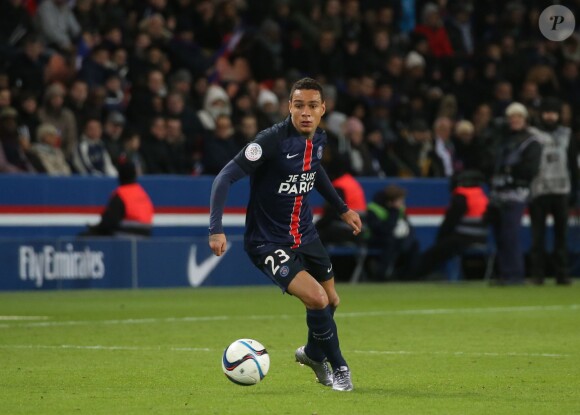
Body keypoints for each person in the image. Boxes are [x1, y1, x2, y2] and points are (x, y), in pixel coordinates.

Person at [209, 78, 361, 392]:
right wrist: (216, 228)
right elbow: (224, 177)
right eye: (299, 105)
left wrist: (342, 208)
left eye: (312, 106)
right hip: (267, 241)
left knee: (331, 300)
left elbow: (315, 169)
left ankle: (314, 354)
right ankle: (340, 367)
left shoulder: (319, 138)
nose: (305, 112)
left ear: (323, 109)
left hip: (305, 233)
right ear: (289, 107)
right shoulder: (270, 141)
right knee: (317, 297)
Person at [485, 102, 542, 285]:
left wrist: (511, 171)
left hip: (516, 193)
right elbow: (489, 161)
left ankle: (515, 274)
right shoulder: (502, 140)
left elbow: (530, 169)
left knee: (510, 234)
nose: (514, 120)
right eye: (511, 117)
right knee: (500, 235)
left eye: (518, 117)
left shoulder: (531, 141)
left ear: (525, 119)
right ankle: (505, 273)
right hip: (498, 193)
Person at [529, 97, 578, 285]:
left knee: (561, 236)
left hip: (561, 190)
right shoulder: (532, 134)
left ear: (559, 114)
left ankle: (562, 274)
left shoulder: (567, 134)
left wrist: (574, 190)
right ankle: (537, 274)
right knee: (537, 236)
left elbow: (572, 164)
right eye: (547, 112)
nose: (550, 116)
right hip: (539, 190)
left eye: (554, 112)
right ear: (541, 114)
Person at [415, 170, 489, 278]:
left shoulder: (462, 196)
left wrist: (439, 239)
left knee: (433, 253)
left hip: (464, 238)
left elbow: (449, 222)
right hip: (481, 237)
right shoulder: (480, 195)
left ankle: (416, 276)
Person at [79, 159, 154, 237]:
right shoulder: (143, 194)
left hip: (126, 236)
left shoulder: (122, 195)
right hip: (146, 235)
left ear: (119, 176)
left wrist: (93, 230)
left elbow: (108, 223)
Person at [366, 184, 419, 280]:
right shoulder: (373, 209)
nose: (402, 203)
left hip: (394, 238)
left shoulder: (400, 209)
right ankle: (381, 276)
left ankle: (409, 276)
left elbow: (409, 227)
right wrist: (393, 212)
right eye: (400, 201)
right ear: (391, 201)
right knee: (390, 242)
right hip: (375, 238)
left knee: (413, 243)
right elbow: (382, 230)